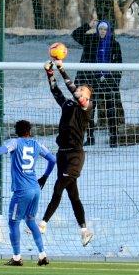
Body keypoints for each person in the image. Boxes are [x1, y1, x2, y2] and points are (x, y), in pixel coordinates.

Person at [0, 120, 56, 266]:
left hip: (22, 190)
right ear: (30, 131)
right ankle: (42, 255)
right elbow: (53, 159)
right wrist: (45, 176)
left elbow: (1, 150)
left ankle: (16, 258)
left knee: (13, 222)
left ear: (16, 131)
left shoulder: (15, 142)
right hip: (35, 189)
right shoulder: (37, 144)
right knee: (30, 220)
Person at [39, 60, 94, 247]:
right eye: (80, 89)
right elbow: (56, 91)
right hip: (62, 154)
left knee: (58, 187)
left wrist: (61, 69)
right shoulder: (68, 104)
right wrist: (50, 73)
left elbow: (74, 92)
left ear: (87, 97)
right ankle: (84, 230)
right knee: (73, 195)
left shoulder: (87, 107)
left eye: (83, 91)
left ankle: (43, 223)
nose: (80, 91)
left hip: (75, 156)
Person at [72, 19, 124, 147]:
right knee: (89, 109)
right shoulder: (90, 40)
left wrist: (114, 81)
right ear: (97, 29)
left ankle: (113, 138)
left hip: (108, 81)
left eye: (105, 29)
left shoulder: (114, 44)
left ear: (109, 30)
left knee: (111, 109)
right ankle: (90, 137)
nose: (102, 31)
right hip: (91, 80)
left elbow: (119, 65)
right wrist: (88, 25)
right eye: (100, 29)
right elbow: (75, 35)